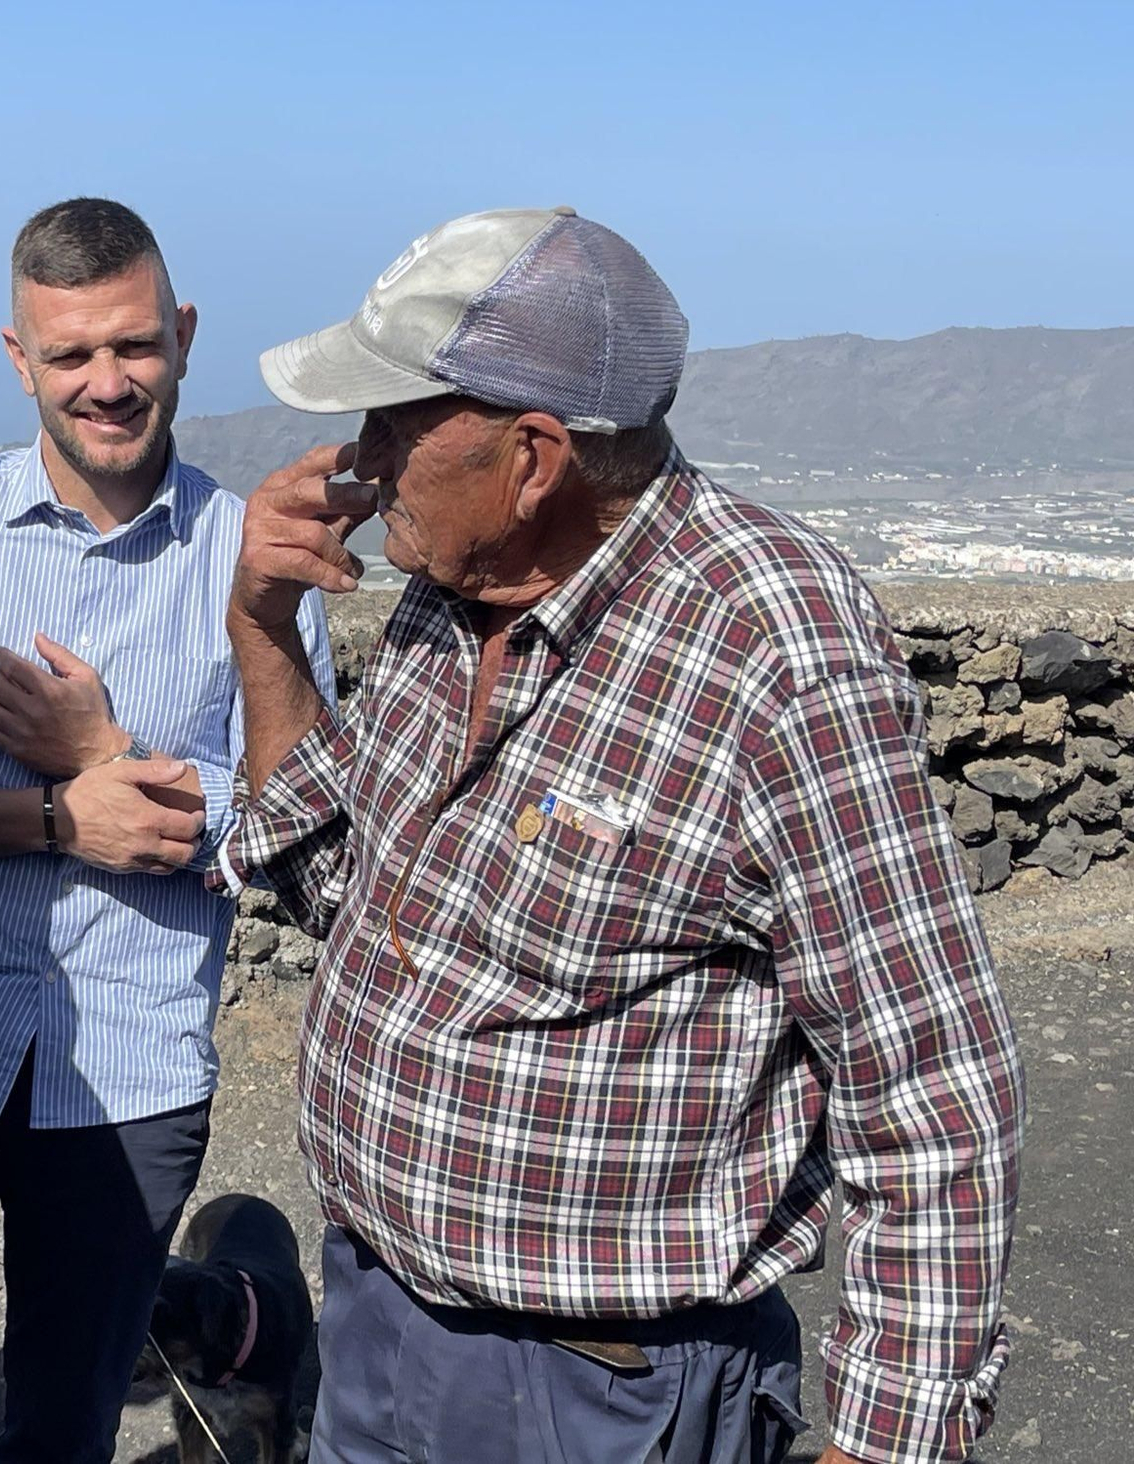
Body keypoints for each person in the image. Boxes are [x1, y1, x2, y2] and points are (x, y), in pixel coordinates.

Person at [221, 207, 1023, 1464]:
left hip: (591, 1395)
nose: (356, 463)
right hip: (375, 1315)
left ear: (532, 457)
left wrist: (889, 1441)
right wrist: (264, 629)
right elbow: (340, 885)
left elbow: (932, 1088)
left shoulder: (769, 650)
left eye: (392, 424)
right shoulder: (452, 596)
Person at [0, 198, 334, 1462]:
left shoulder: (245, 561)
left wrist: (103, 757)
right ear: (18, 360)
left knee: (64, 1418)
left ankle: (237, 1329)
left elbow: (291, 817)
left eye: (133, 347)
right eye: (70, 356)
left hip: (135, 1063)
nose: (106, 384)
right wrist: (58, 816)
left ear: (184, 336)